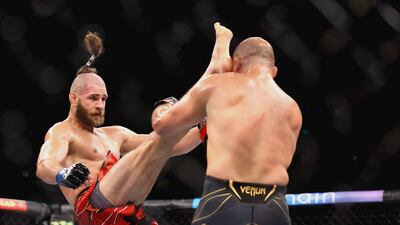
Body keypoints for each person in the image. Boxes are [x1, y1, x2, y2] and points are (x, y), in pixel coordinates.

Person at [36, 24, 231, 225]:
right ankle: (209, 77)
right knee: (160, 136)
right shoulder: (63, 131)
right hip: (94, 209)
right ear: (73, 98)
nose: (100, 105)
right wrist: (62, 174)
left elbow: (171, 146)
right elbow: (44, 166)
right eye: (93, 98)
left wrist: (203, 130)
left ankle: (203, 95)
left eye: (103, 99)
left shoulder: (115, 134)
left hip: (128, 211)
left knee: (160, 142)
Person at [152, 24, 302, 225]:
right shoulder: (292, 108)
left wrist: (166, 104)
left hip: (224, 198)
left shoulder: (219, 86)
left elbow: (162, 126)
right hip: (274, 205)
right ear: (274, 71)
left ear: (236, 65)